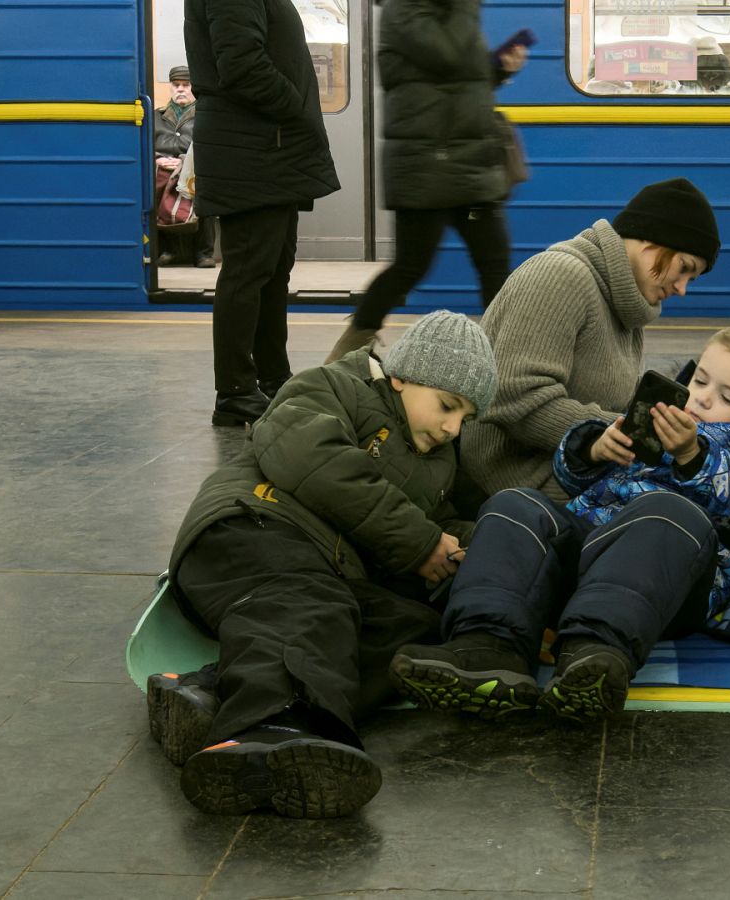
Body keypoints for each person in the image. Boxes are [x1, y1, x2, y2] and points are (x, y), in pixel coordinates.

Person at [388, 326, 730, 721]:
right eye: (702, 380)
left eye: (728, 395)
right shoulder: (659, 417)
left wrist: (696, 455)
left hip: (672, 577)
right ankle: (484, 648)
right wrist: (592, 449)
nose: (704, 399)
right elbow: (575, 477)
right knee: (516, 505)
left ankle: (594, 658)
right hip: (591, 551)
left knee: (665, 511)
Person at [147, 311, 497, 818]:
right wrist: (420, 542)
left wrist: (486, 554)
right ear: (400, 375)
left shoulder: (436, 462)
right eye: (447, 406)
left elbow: (443, 520)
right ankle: (265, 732)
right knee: (312, 606)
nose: (452, 427)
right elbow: (308, 457)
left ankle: (211, 690)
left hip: (319, 563)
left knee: (414, 628)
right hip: (252, 528)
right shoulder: (332, 386)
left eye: (466, 417)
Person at [460, 177, 721, 499]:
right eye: (683, 268)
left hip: (576, 467)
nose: (682, 289)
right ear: (652, 241)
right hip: (517, 479)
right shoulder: (560, 275)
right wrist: (610, 430)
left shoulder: (626, 307)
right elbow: (516, 395)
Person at [324, 0, 527, 360]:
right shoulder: (406, 9)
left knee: (493, 263)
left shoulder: (443, 11)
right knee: (410, 267)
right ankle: (346, 353)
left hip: (464, 165)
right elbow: (448, 56)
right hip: (429, 166)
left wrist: (497, 70)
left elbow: (453, 79)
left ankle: (504, 359)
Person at [186, 0, 340, 427]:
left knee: (272, 270)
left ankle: (272, 378)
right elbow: (240, 63)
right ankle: (235, 391)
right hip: (253, 147)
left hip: (268, 148)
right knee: (248, 270)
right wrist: (295, 106)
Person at [152, 65, 218, 268]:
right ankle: (167, 249)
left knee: (201, 191)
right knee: (155, 188)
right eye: (176, 85)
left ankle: (203, 252)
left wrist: (184, 162)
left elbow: (210, 147)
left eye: (186, 85)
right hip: (161, 168)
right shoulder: (156, 116)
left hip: (193, 169)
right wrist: (156, 158)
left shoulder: (206, 115)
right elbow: (143, 145)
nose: (180, 89)